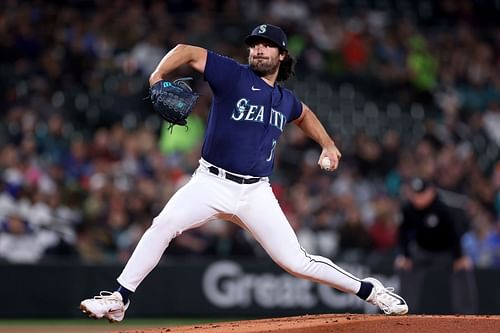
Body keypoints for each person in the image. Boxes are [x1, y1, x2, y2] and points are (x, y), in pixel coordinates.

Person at [80, 24, 408, 322]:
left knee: (296, 262)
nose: (258, 50)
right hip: (210, 182)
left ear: (282, 55)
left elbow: (304, 114)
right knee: (163, 225)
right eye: (254, 45)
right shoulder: (233, 75)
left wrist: (328, 144)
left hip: (255, 192)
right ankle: (120, 298)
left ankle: (369, 290)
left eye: (267, 45)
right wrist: (157, 77)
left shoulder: (284, 99)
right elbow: (186, 51)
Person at [395, 177, 477, 314]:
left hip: (445, 253)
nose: (418, 199)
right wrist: (405, 256)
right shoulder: (408, 209)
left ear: (431, 192)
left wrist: (459, 257)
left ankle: (466, 313)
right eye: (416, 195)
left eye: (422, 194)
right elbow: (403, 234)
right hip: (421, 251)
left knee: (463, 268)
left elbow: (453, 234)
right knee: (404, 266)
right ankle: (404, 309)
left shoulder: (442, 209)